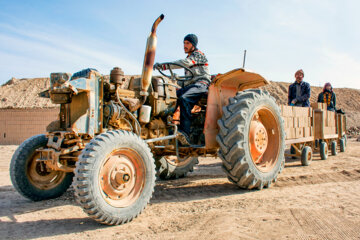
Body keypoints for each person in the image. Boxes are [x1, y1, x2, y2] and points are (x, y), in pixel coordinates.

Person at [154, 34, 211, 145]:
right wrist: (172, 81)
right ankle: (165, 126)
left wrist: (164, 66)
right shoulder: (189, 59)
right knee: (171, 96)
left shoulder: (198, 55)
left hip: (201, 84)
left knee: (184, 98)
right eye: (184, 43)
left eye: (187, 43)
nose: (184, 45)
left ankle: (185, 133)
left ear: (193, 45)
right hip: (191, 86)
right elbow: (187, 80)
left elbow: (184, 64)